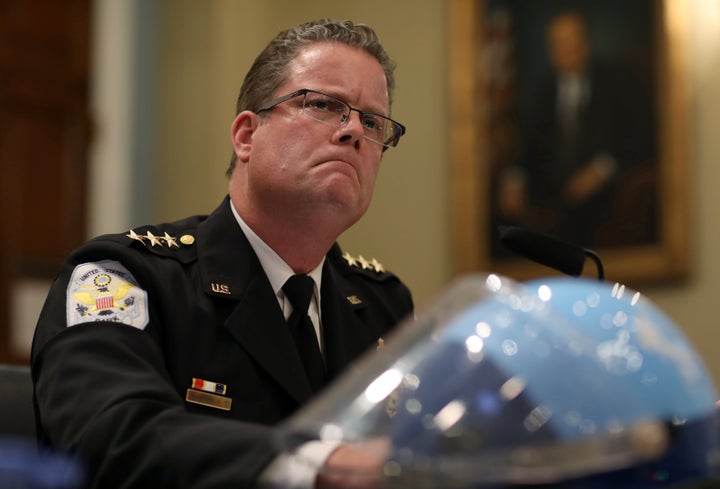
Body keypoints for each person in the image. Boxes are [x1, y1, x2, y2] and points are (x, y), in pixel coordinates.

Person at [31, 19, 413, 489]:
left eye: (373, 122)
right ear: (247, 136)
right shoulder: (128, 277)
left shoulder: (383, 305)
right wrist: (317, 465)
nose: (354, 130)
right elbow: (110, 437)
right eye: (324, 105)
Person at [497, 9, 656, 247]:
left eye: (571, 40)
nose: (565, 49)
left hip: (605, 196)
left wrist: (603, 169)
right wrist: (513, 178)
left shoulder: (618, 82)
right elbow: (524, 144)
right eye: (557, 43)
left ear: (586, 42)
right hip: (548, 196)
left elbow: (642, 137)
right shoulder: (539, 92)